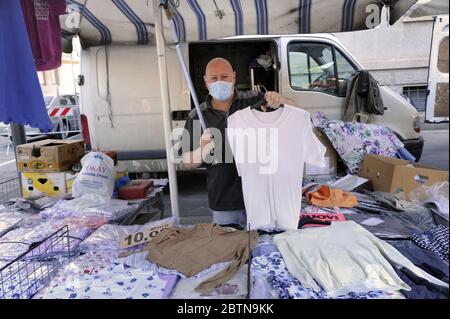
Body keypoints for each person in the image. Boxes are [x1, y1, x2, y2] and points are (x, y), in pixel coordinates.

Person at [180, 57, 287, 227]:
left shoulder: (255, 100)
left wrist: (278, 99)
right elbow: (186, 162)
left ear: (234, 77)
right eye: (214, 78)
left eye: (225, 77)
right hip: (224, 203)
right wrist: (201, 150)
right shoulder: (197, 115)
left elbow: (293, 111)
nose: (219, 82)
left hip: (262, 198)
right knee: (229, 249)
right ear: (205, 81)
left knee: (265, 248)